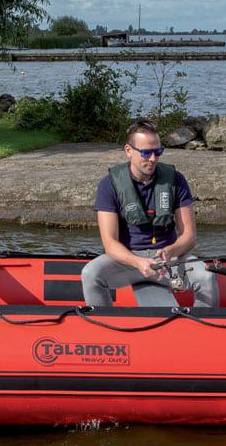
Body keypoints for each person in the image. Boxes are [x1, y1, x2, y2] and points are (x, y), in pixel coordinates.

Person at [81, 120, 219, 307]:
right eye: (146, 153)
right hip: (128, 261)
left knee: (206, 277)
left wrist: (172, 251)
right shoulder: (109, 185)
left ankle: (202, 331)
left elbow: (189, 236)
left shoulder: (175, 180)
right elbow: (110, 244)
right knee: (90, 274)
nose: (153, 158)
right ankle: (106, 326)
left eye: (158, 152)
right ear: (129, 150)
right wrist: (138, 262)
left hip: (168, 261)